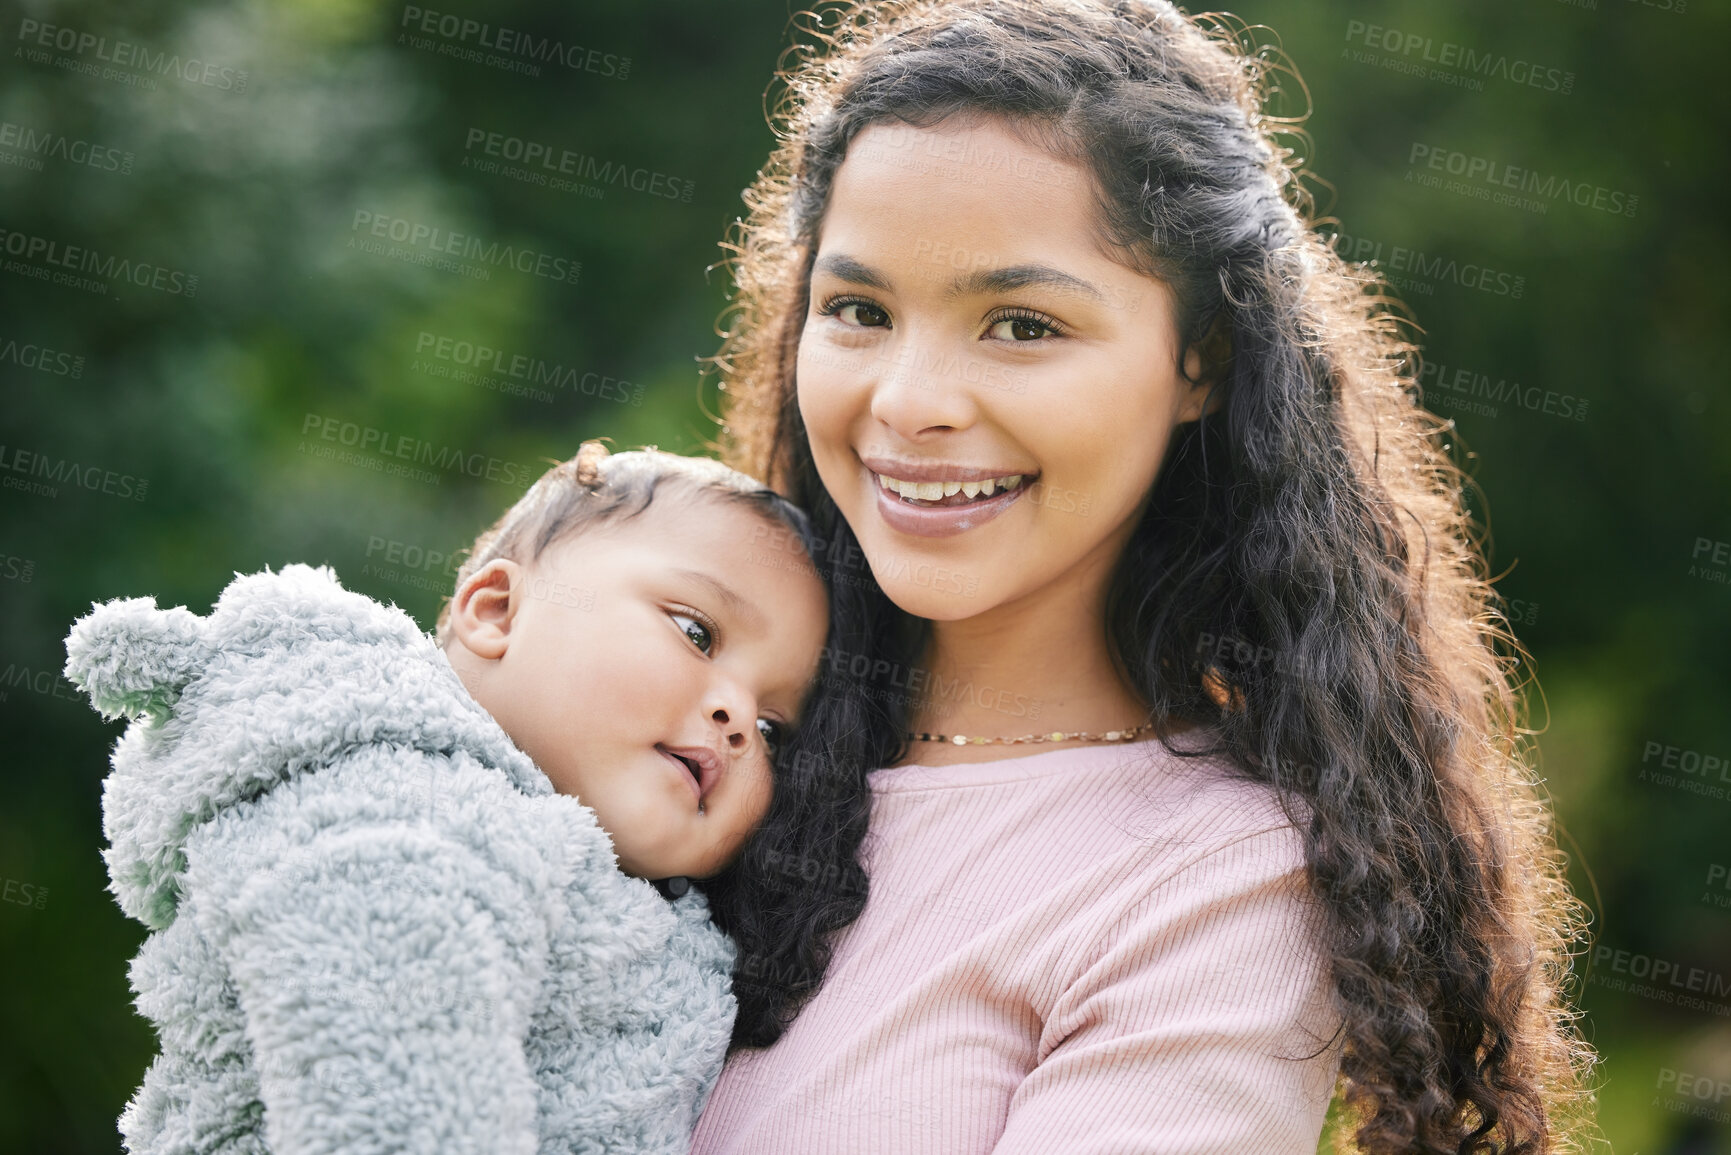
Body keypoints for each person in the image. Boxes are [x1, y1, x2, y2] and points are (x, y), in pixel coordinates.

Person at [689, 1, 1600, 1152]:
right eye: (860, 310)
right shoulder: (697, 731)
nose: (909, 401)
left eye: (1020, 324)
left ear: (1201, 362)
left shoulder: (1215, 888)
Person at [62, 441, 830, 1155]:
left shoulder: (640, 910)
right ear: (496, 610)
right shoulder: (397, 802)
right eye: (696, 632)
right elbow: (388, 1071)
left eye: (773, 725)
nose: (737, 722)